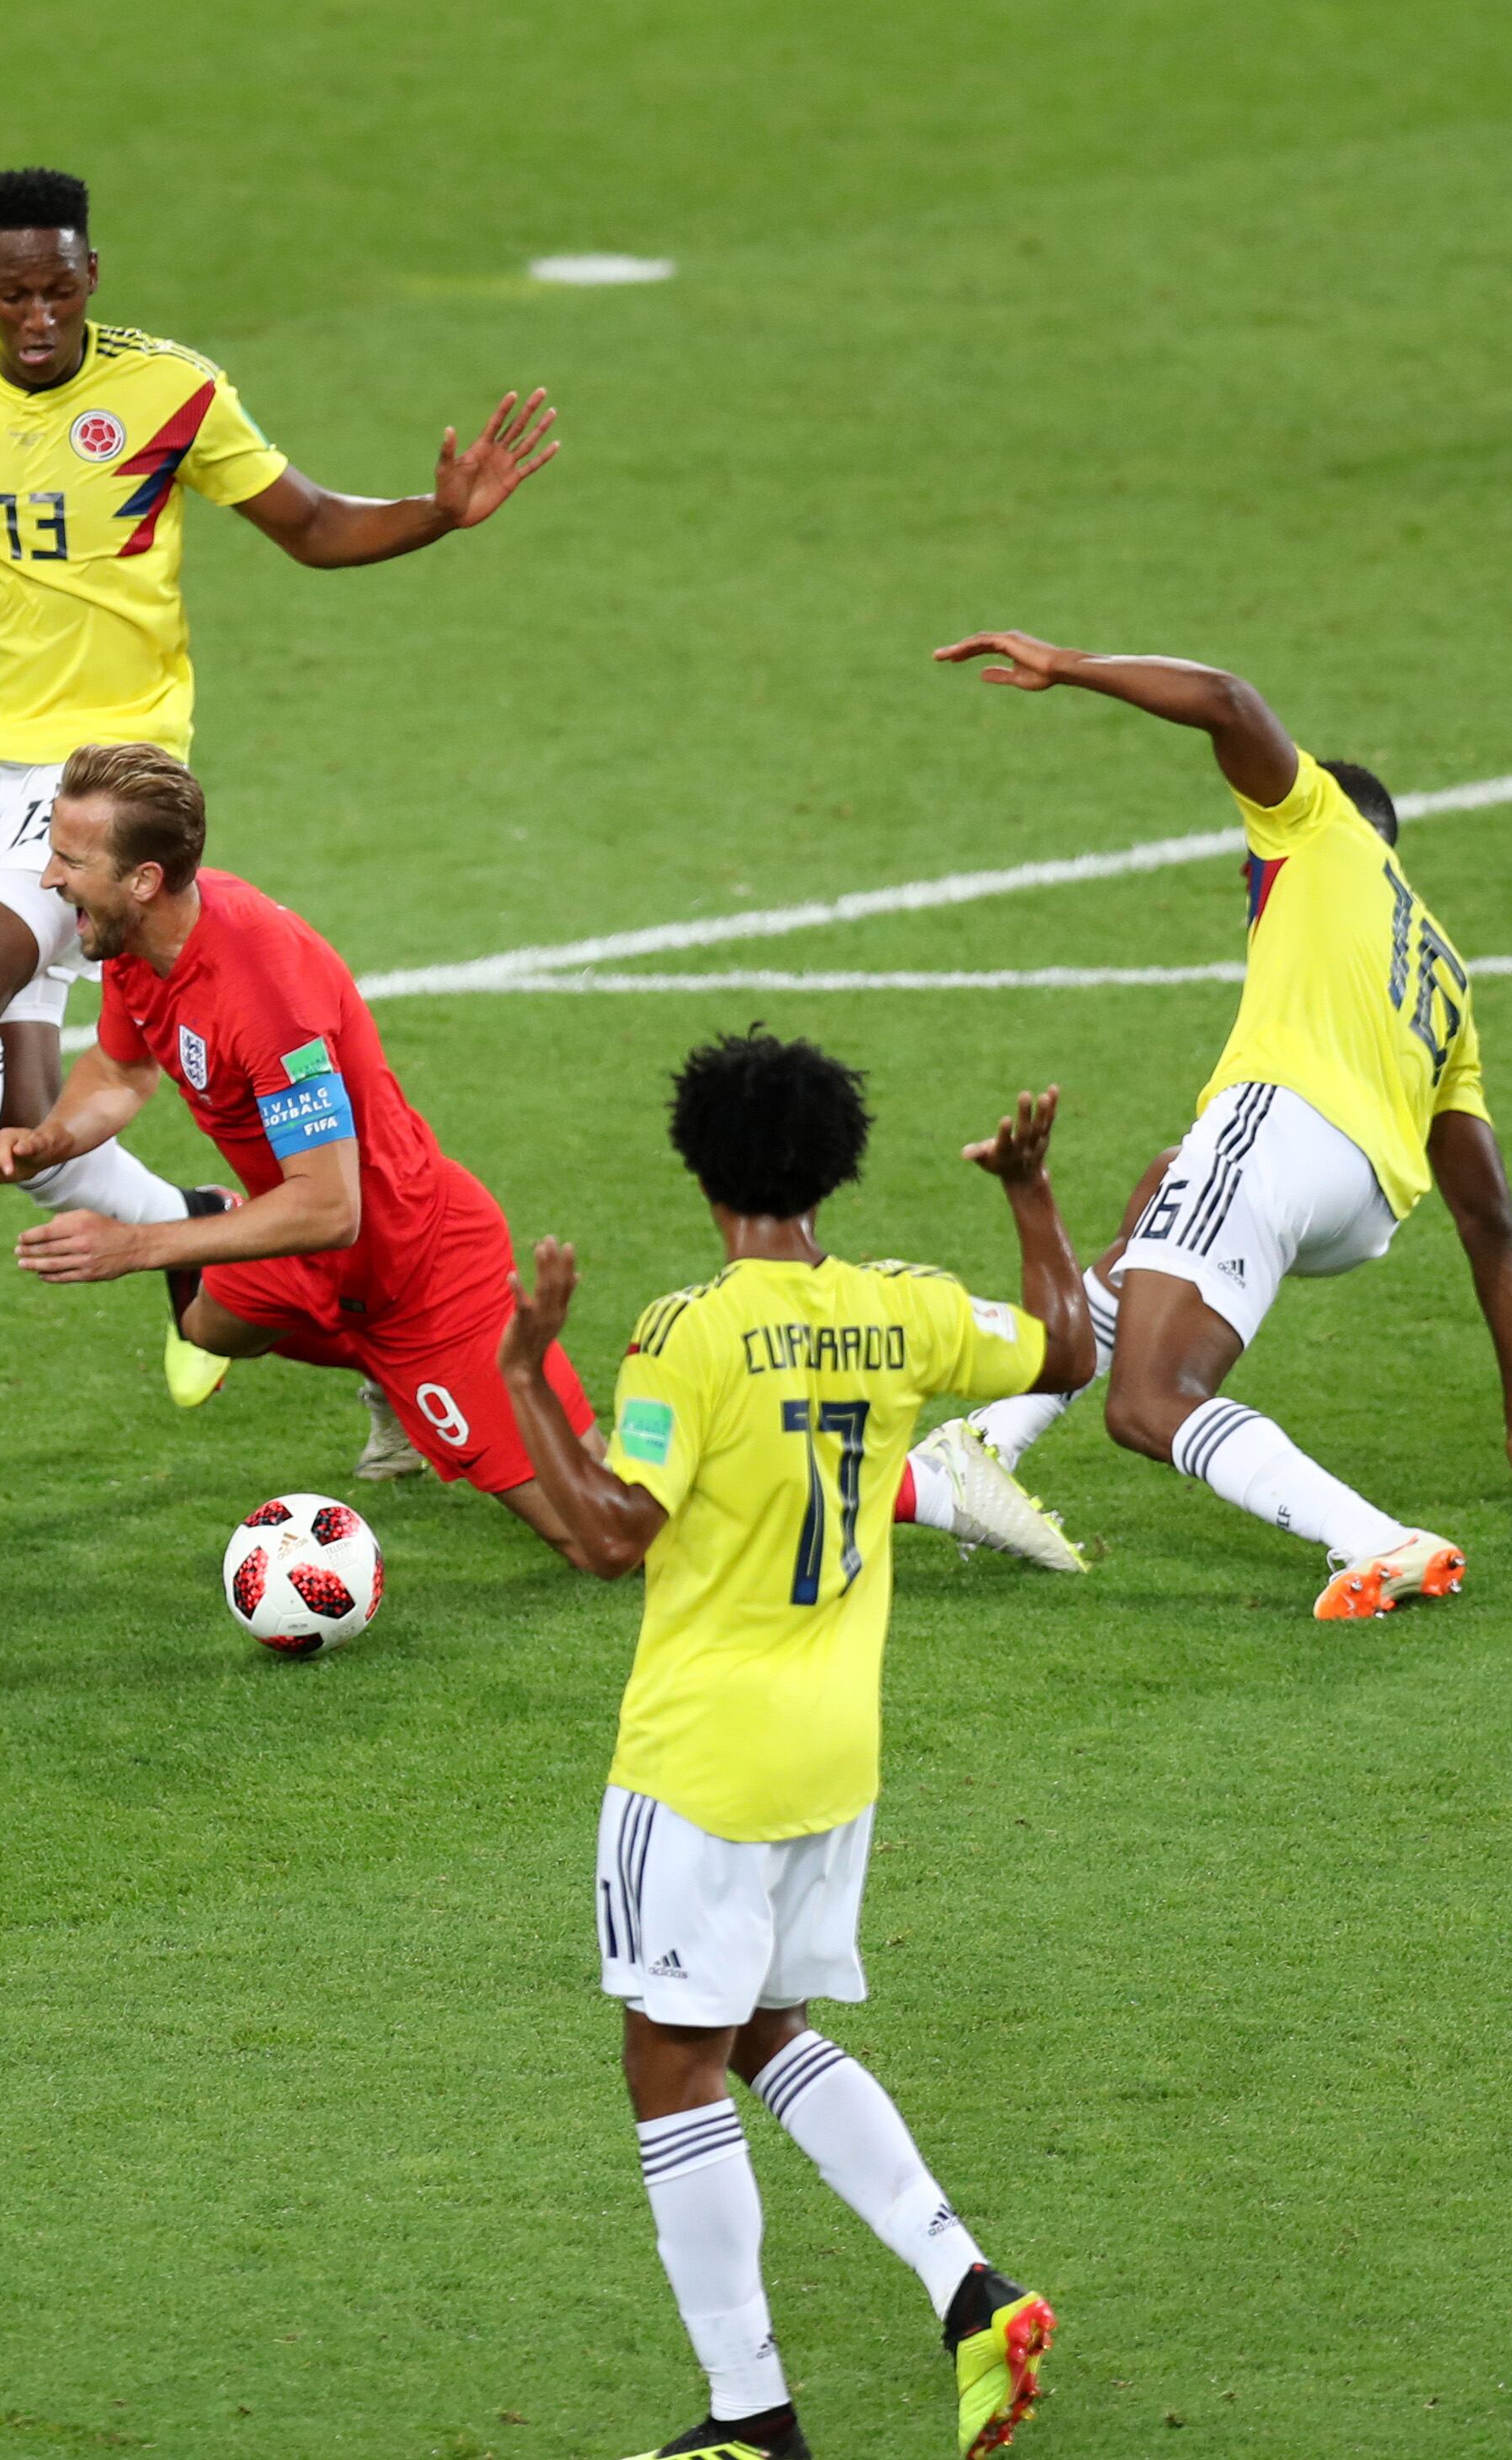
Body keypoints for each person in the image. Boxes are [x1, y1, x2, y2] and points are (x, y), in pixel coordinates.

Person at [0, 163, 560, 1452]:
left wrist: (438, 517)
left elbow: (309, 522)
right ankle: (204, 1240)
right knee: (25, 1127)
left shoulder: (170, 391)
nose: (38, 317)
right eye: (13, 294)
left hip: (103, 773)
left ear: (92, 275)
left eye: (59, 290)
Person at [493, 1031, 1096, 2460]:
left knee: (669, 2066)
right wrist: (1027, 1193)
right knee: (761, 2026)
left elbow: (607, 1536)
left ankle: (748, 2418)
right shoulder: (903, 1308)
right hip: (834, 1757)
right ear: (834, 1166)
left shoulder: (686, 1332)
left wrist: (524, 1373)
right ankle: (971, 2291)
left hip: (700, 1762)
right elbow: (1067, 1347)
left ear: (699, 1164)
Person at [922, 633, 1512, 1619]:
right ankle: (984, 1447)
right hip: (1358, 1212)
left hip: (1281, 1130)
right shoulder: (1443, 974)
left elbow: (1225, 698)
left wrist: (1065, 664)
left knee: (1150, 1400)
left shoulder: (1316, 821)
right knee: (1165, 1186)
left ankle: (1377, 1539)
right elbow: (1488, 1215)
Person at [0, 747, 604, 1548]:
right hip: (300, 1239)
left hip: (414, 1266)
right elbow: (122, 1070)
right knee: (209, 1329)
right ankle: (350, 1343)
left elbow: (333, 1208)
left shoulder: (266, 997)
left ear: (144, 880)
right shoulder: (136, 940)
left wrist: (135, 1244)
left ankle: (427, 1373)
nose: (49, 879)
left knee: (598, 1538)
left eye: (71, 860)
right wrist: (53, 1139)